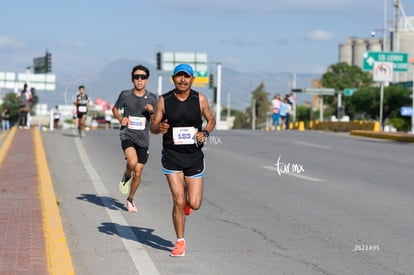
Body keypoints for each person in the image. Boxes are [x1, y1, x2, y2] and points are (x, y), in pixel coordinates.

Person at [150, 63, 216, 257]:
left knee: (194, 204)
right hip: (172, 156)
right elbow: (152, 127)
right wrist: (158, 128)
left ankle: (188, 197)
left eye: (186, 76)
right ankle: (180, 241)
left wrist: (205, 132)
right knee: (178, 200)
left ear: (192, 79)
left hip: (194, 157)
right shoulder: (164, 100)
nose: (182, 80)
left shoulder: (199, 99)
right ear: (173, 79)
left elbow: (211, 120)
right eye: (179, 76)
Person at [112, 65, 157, 213]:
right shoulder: (125, 95)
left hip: (143, 139)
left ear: (147, 80)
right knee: (131, 162)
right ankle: (126, 175)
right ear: (132, 79)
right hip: (128, 134)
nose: (139, 80)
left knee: (138, 172)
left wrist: (151, 112)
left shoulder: (152, 98)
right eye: (137, 77)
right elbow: (115, 108)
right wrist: (120, 119)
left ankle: (130, 199)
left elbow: (156, 120)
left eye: (142, 77)